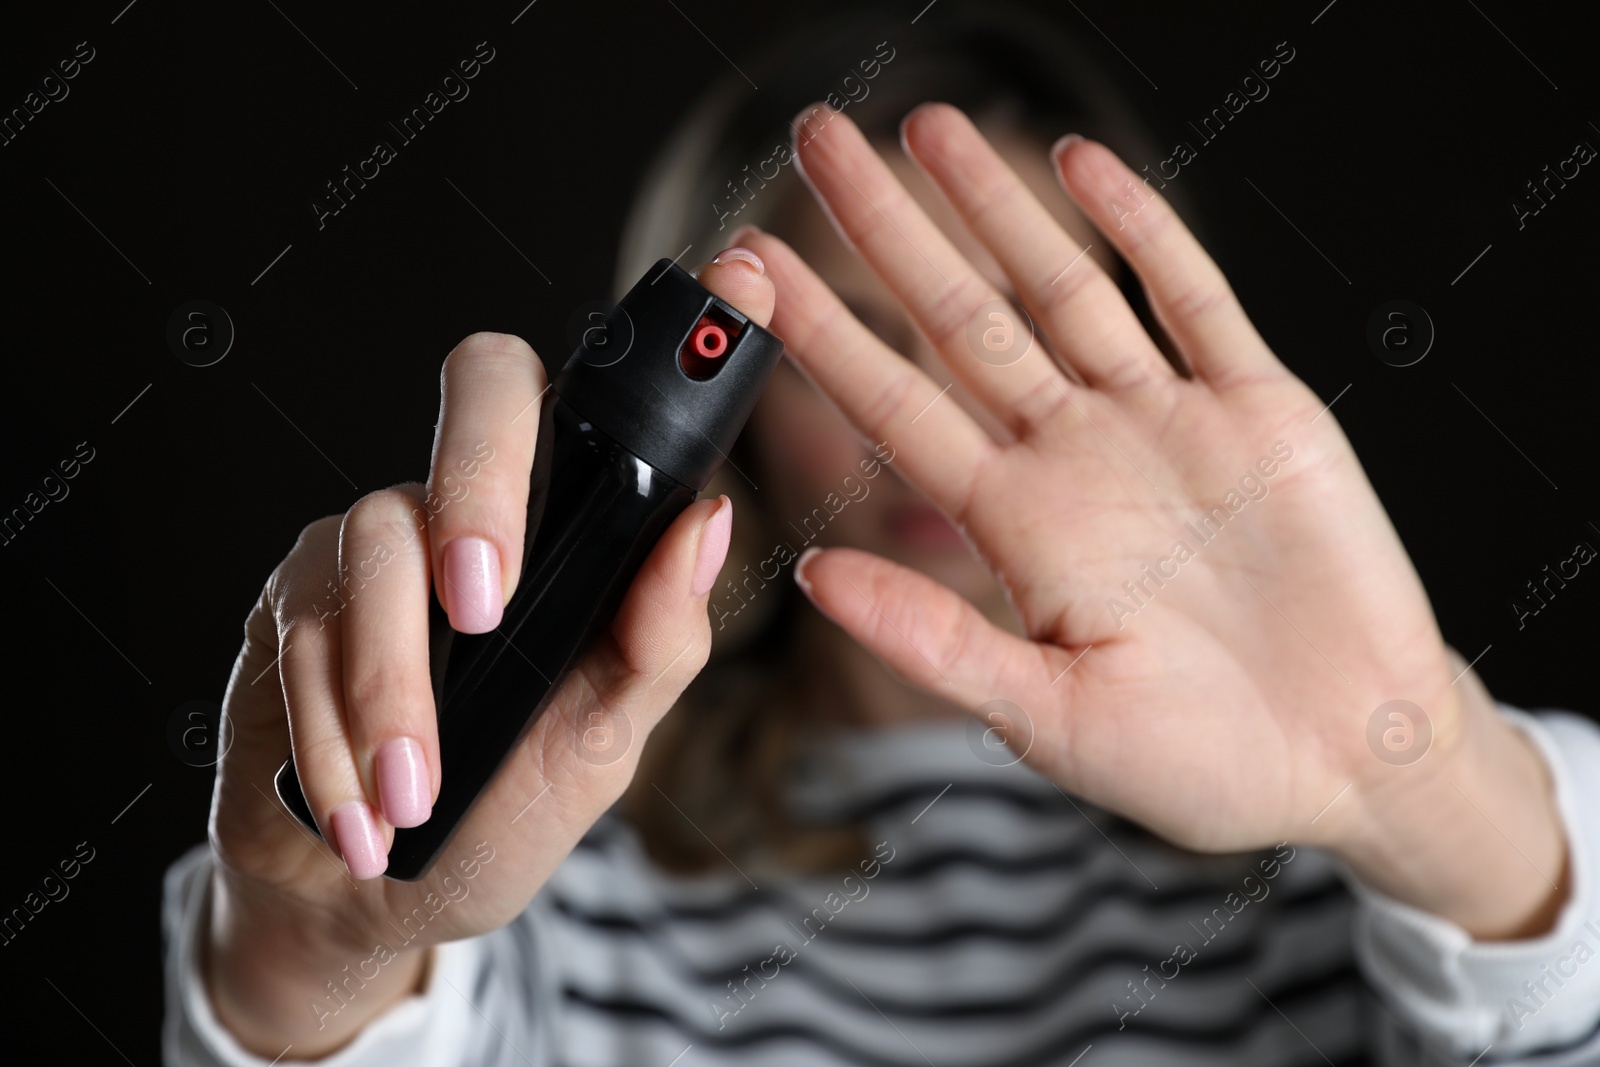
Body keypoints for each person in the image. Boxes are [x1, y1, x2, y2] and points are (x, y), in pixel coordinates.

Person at [162, 9, 1600, 1065]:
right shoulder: (542, 867)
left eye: (1019, 333)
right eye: (866, 351)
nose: (934, 419)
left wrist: (1420, 772)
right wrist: (319, 945)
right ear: (731, 404)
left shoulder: (1335, 882)